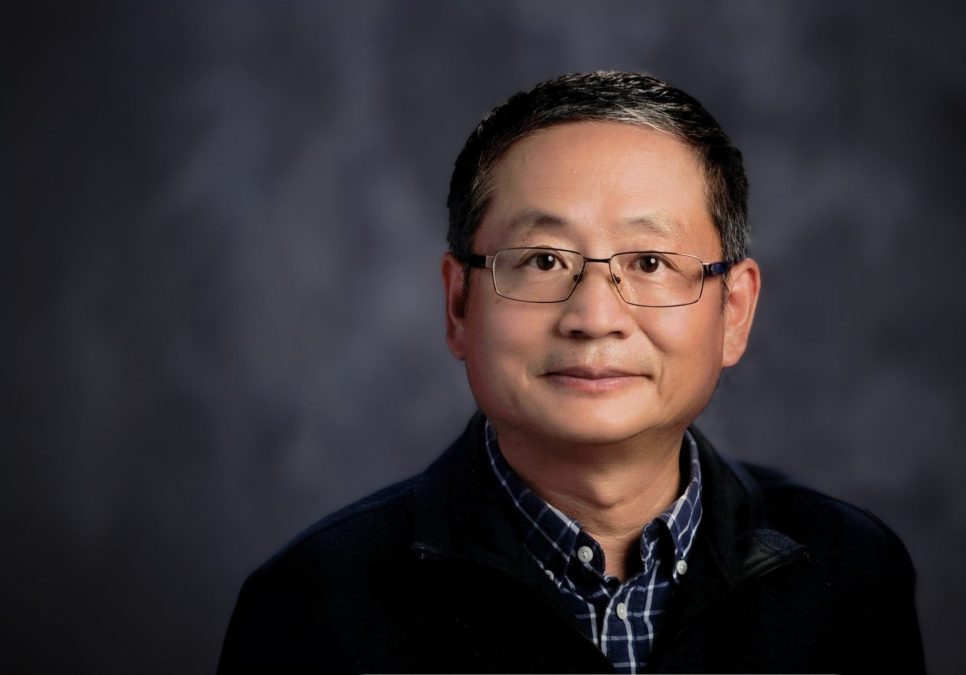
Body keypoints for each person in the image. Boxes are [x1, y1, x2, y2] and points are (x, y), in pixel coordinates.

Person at [218, 71, 925, 674]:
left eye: (648, 263)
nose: (594, 316)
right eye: (543, 260)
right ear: (458, 303)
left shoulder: (852, 573)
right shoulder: (314, 601)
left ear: (733, 311)